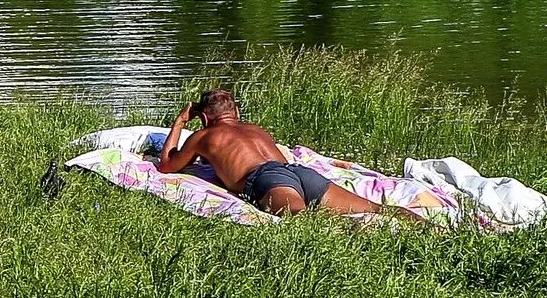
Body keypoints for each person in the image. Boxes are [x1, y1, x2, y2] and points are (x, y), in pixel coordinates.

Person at [156, 88, 390, 219]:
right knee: (376, 209)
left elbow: (166, 165)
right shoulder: (256, 130)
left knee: (302, 219)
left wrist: (180, 123)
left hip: (267, 179)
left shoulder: (203, 137)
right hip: (298, 172)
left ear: (204, 118)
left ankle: (361, 235)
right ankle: (422, 225)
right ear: (236, 111)